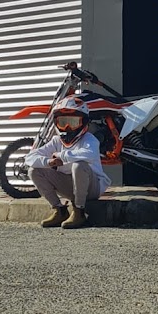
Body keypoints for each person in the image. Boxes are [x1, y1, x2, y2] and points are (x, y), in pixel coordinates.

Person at [24, 96, 111, 229]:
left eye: (73, 122)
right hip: (70, 187)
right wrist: (49, 162)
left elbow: (89, 154)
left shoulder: (89, 139)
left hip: (92, 188)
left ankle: (79, 212)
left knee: (79, 165)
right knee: (34, 170)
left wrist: (62, 156)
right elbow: (29, 157)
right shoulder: (56, 141)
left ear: (83, 122)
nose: (68, 127)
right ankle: (59, 210)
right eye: (63, 122)